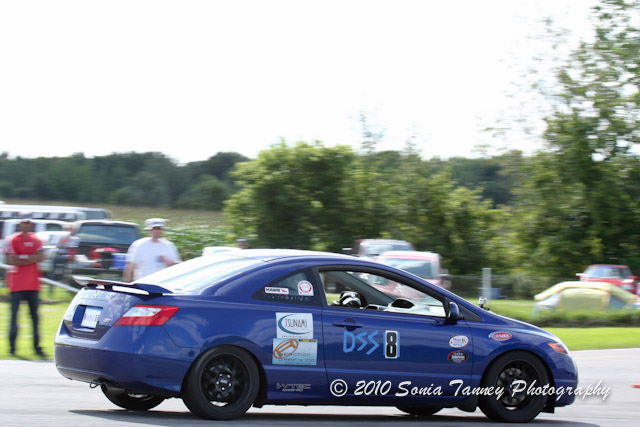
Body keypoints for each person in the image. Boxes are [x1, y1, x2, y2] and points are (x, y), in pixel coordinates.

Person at [4, 212, 45, 357]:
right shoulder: (13, 239)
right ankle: (12, 348)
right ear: (19, 224)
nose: (26, 225)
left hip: (33, 284)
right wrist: (31, 258)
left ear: (31, 224)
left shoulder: (37, 239)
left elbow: (41, 256)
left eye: (28, 223)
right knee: (14, 317)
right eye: (24, 223)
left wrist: (22, 257)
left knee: (35, 318)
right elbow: (11, 260)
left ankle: (37, 347)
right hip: (17, 284)